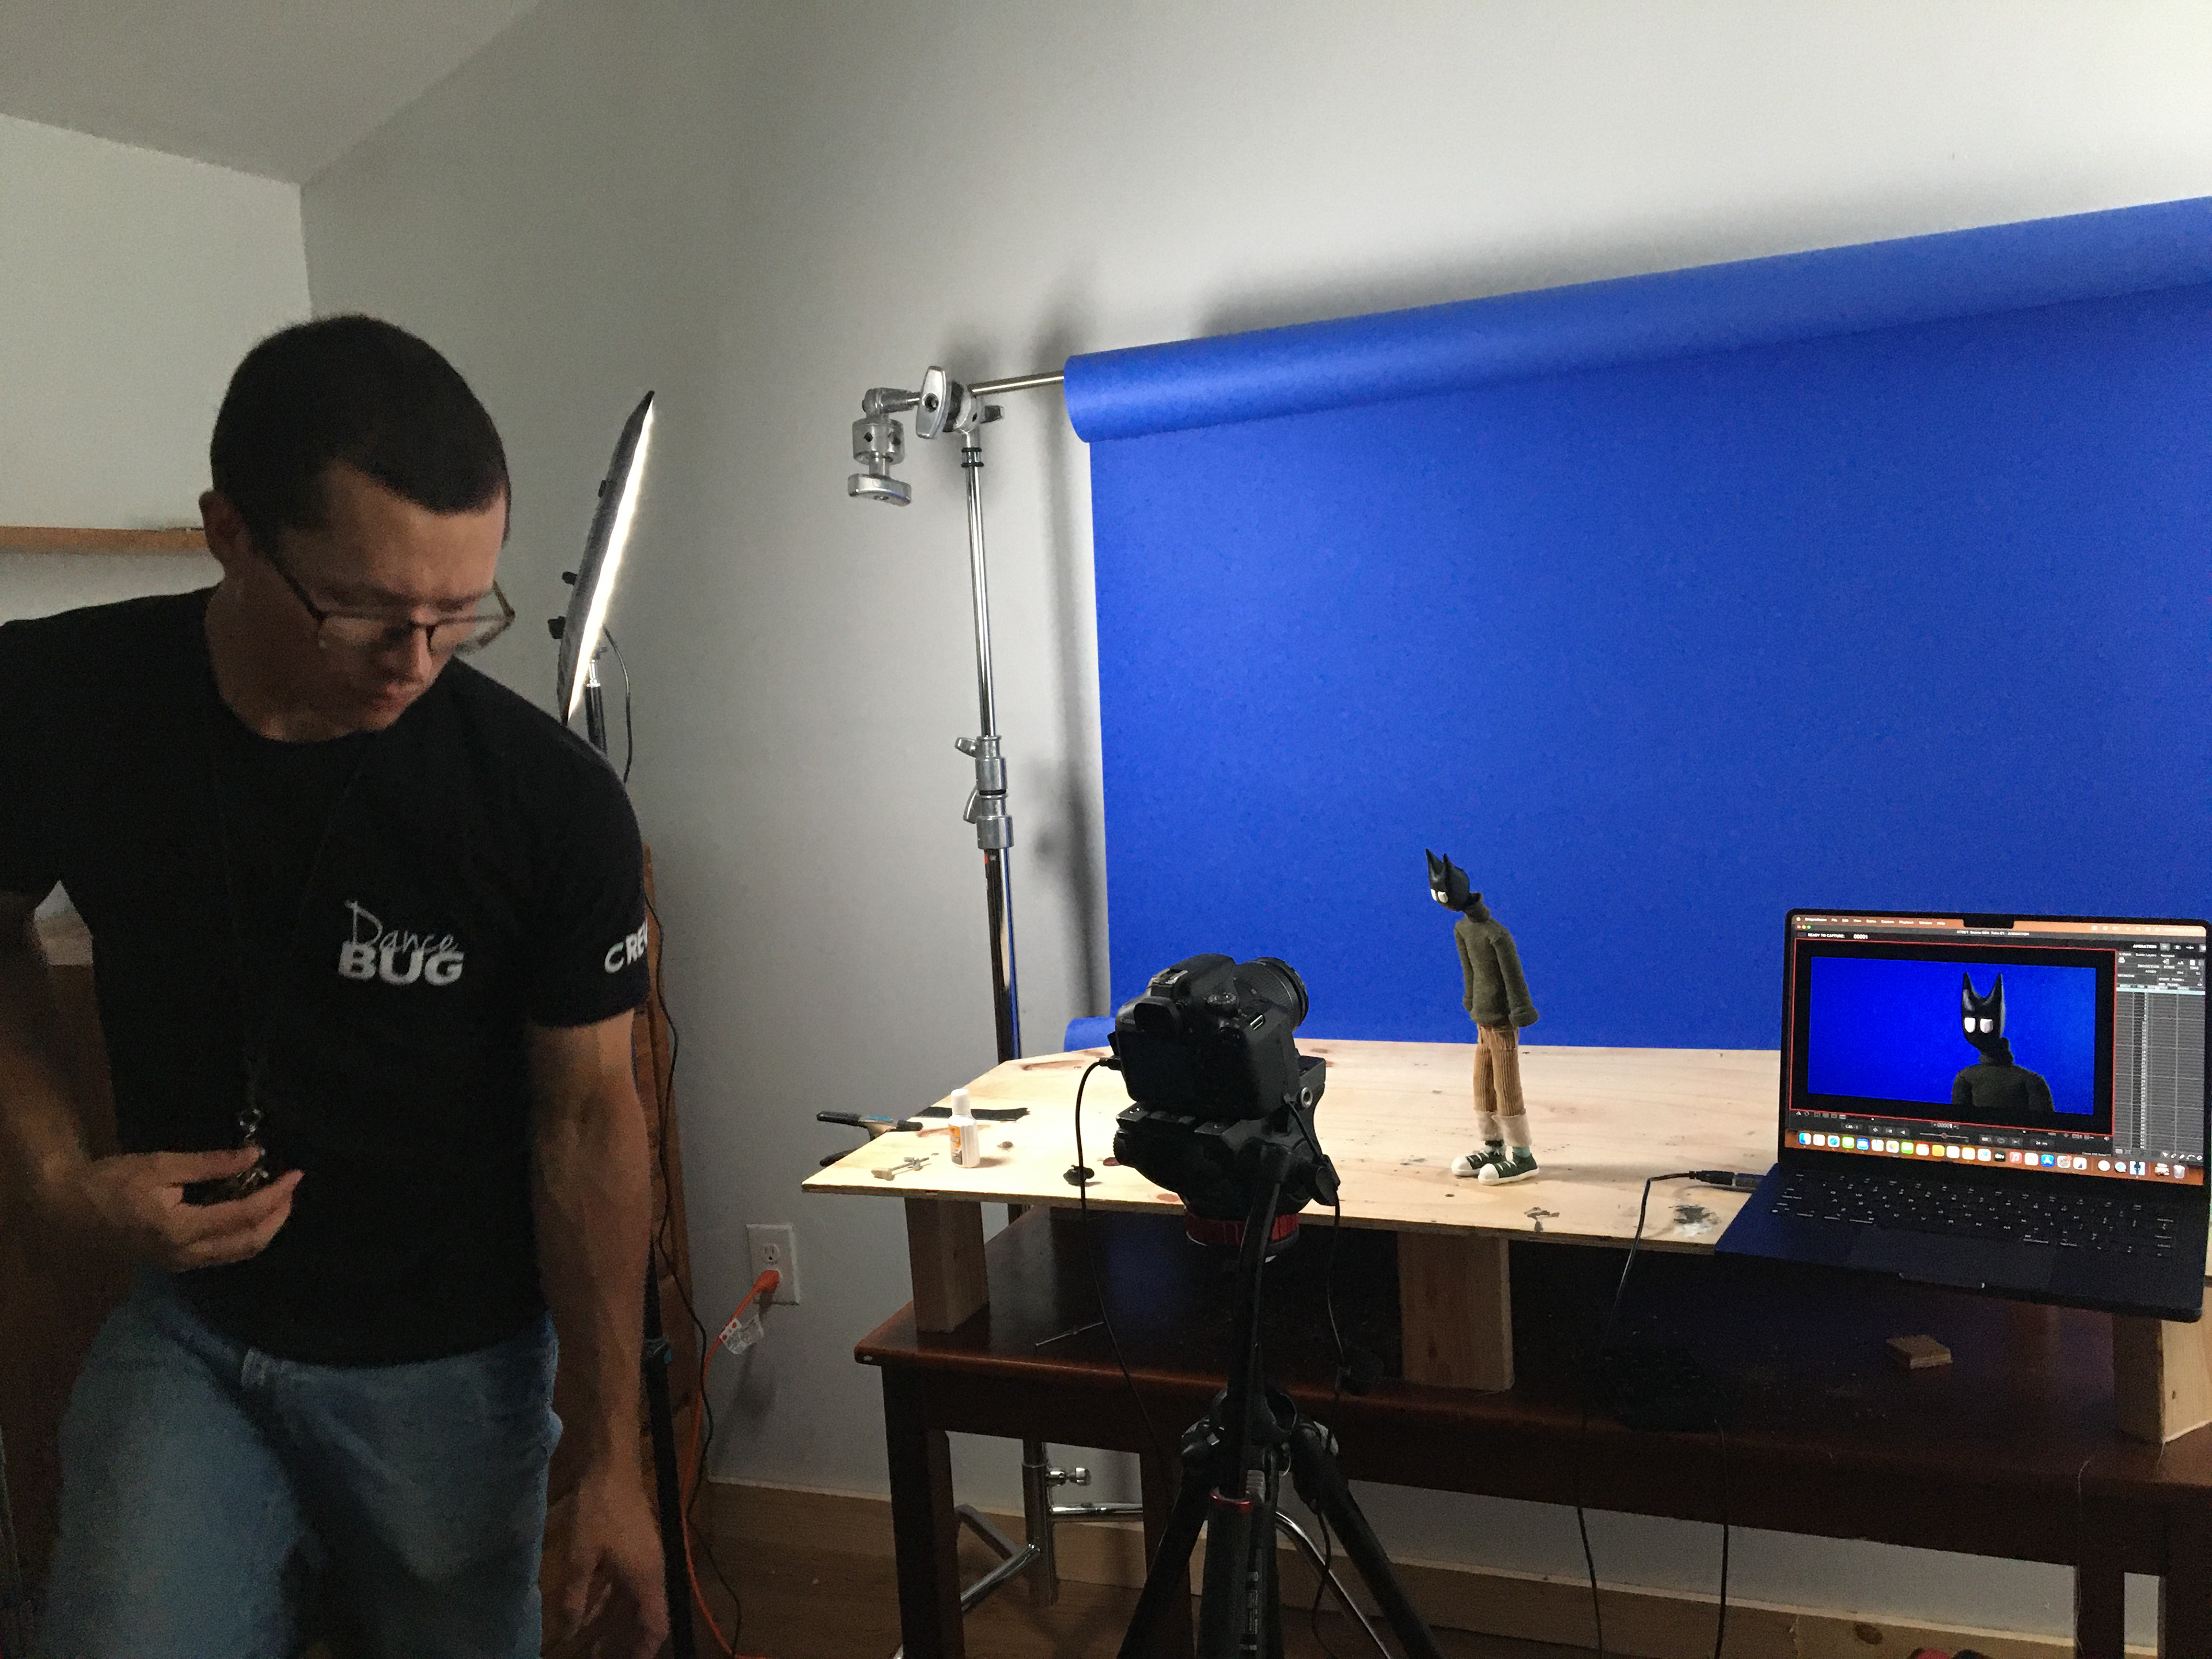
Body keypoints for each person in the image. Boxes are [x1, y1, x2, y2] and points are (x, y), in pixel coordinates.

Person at [0, 316, 669, 1658]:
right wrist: (55, 1173)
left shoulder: (543, 803)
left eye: (459, 615)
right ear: (229, 532)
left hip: (458, 1363)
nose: (416, 660)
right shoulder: (59, 698)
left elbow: (590, 1118)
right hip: (193, 1339)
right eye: (366, 610)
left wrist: (612, 1458)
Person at [1425, 850, 1541, 1183]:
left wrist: (1521, 1010)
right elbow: (1469, 970)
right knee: (1482, 1085)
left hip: (1503, 1023)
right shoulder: (1463, 929)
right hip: (1481, 1021)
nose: (1441, 900)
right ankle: (1493, 1146)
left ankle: (1523, 1155)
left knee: (1507, 1086)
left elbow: (1514, 976)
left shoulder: (1496, 934)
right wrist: (1470, 999)